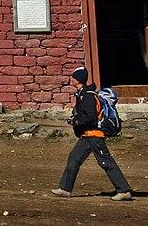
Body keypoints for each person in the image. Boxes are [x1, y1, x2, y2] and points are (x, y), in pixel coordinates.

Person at [51, 66, 132, 201]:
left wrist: (76, 121)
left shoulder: (87, 96)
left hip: (95, 135)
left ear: (78, 80)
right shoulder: (83, 94)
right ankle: (65, 188)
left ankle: (124, 190)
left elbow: (91, 118)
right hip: (87, 136)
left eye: (73, 77)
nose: (72, 79)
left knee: (105, 161)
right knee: (74, 159)